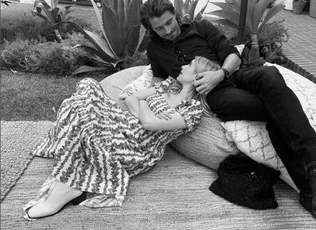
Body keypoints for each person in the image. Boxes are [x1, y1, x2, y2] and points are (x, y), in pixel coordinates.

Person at [140, 0, 316, 230]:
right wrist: (158, 96)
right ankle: (314, 188)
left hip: (233, 75)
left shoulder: (200, 27)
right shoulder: (154, 48)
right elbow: (158, 77)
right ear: (151, 30)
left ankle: (315, 178)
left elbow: (232, 54)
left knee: (271, 76)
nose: (168, 30)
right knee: (278, 108)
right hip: (216, 96)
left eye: (170, 22)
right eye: (159, 28)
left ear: (176, 15)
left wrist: (220, 73)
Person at [23, 56, 220, 220]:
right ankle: (72, 175)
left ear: (198, 77)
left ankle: (69, 184)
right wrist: (144, 110)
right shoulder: (169, 86)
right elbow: (132, 98)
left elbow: (149, 126)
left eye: (190, 65)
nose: (184, 66)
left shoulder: (192, 111)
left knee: (81, 114)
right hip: (123, 122)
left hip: (136, 146)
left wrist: (145, 107)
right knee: (87, 85)